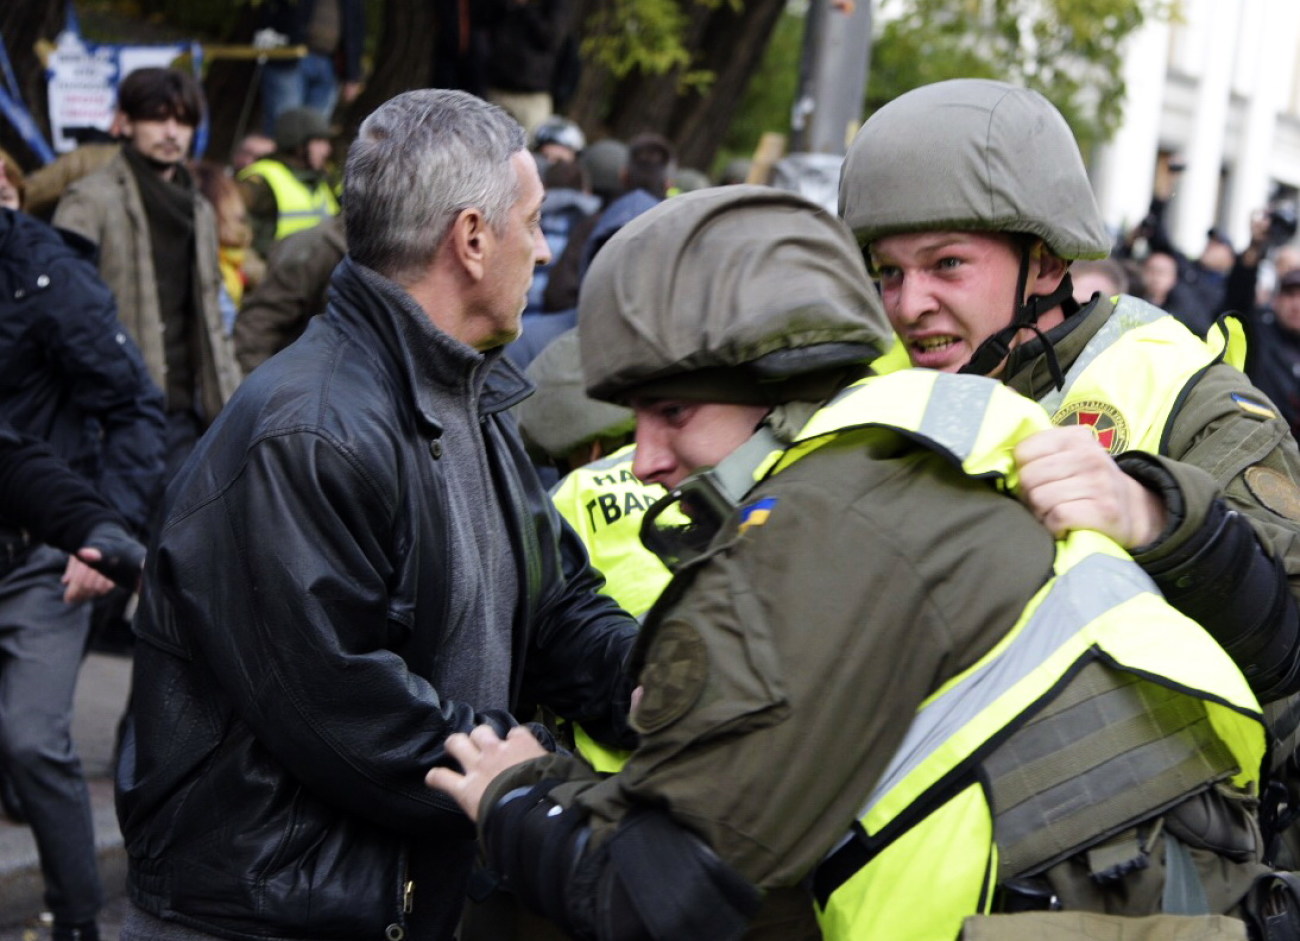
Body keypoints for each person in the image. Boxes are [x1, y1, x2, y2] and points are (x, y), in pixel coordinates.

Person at [427, 185, 1271, 941]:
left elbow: (659, 901)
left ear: (777, 384)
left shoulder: (803, 542)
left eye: (673, 411)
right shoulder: (927, 435)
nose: (644, 459)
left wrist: (517, 795)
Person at [115, 88, 639, 941]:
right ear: (470, 239)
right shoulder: (310, 431)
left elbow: (552, 604)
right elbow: (356, 718)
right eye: (533, 221)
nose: (545, 251)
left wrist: (652, 681)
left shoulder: (472, 392)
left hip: (388, 900)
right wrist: (542, 777)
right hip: (267, 918)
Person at [839, 78, 1300, 707]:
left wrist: (1160, 523)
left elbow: (1289, 644)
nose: (910, 305)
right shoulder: (865, 396)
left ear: (1049, 263)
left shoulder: (1193, 399)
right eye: (889, 272)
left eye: (947, 263)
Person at [0, 206, 166, 941]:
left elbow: (133, 406)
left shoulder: (50, 277)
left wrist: (106, 531)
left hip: (47, 547)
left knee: (32, 735)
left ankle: (76, 917)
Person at [53, 67, 240, 475]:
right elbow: (63, 316)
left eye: (183, 120)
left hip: (188, 413)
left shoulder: (200, 210)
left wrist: (230, 403)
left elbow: (212, 316)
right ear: (126, 123)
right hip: (114, 415)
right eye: (158, 118)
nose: (172, 132)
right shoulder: (88, 202)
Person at [232, 211, 346, 374]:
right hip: (295, 382)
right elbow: (257, 328)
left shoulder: (372, 251)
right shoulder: (318, 249)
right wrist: (263, 392)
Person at [238, 106, 341, 260]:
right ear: (299, 145)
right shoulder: (263, 179)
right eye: (319, 141)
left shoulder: (322, 181)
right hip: (272, 276)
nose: (326, 150)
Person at [254, 0, 365, 135]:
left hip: (330, 64)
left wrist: (352, 75)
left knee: (315, 132)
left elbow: (356, 30)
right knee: (285, 127)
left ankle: (301, 155)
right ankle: (278, 155)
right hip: (288, 58)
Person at [481, 0, 573, 136]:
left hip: (533, 96)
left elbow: (552, 38)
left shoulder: (556, 4)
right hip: (497, 88)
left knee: (533, 148)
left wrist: (526, 7)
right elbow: (483, 23)